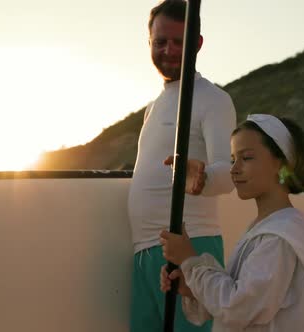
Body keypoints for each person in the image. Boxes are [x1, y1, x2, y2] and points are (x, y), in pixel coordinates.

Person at [159, 114, 304, 331]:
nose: (234, 169)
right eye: (233, 159)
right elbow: (240, 296)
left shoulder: (279, 237)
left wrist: (190, 261)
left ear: (282, 164)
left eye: (247, 158)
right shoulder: (265, 227)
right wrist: (192, 287)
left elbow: (238, 308)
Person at [127, 0, 237, 331]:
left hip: (191, 245)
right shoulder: (153, 107)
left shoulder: (213, 99)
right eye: (160, 41)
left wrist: (201, 178)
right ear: (149, 43)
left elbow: (228, 174)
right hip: (144, 252)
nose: (169, 50)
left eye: (179, 41)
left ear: (197, 44)